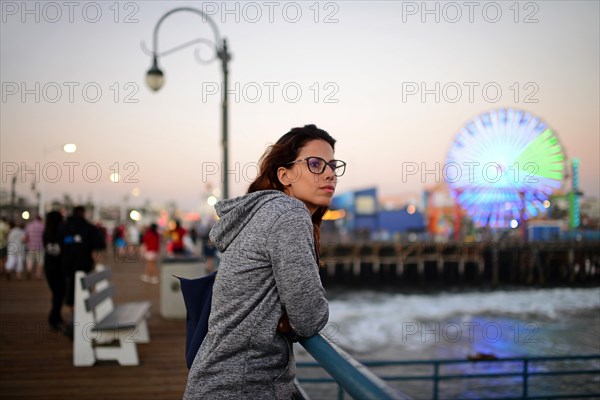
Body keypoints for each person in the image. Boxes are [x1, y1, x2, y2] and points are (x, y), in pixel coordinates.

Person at [184, 124, 346, 399]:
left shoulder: (264, 212)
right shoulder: (288, 214)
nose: (330, 173)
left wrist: (287, 316)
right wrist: (290, 318)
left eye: (333, 165)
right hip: (242, 388)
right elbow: (309, 317)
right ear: (284, 175)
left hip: (216, 383)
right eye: (316, 164)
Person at [60, 206, 106, 319]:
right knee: (84, 289)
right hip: (84, 264)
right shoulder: (89, 227)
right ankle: (81, 315)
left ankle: (74, 313)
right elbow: (100, 244)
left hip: (66, 264)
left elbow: (58, 241)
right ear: (84, 214)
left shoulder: (64, 227)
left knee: (69, 289)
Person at [43, 211, 65, 331]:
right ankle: (54, 319)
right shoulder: (59, 233)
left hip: (49, 267)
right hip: (58, 268)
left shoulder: (46, 232)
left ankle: (56, 317)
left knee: (57, 294)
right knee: (59, 294)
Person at [25, 215, 45, 279]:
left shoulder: (29, 226)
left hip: (31, 246)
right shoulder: (43, 226)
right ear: (40, 219)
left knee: (30, 260)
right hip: (40, 246)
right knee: (40, 261)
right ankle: (38, 275)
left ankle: (29, 270)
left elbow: (26, 236)